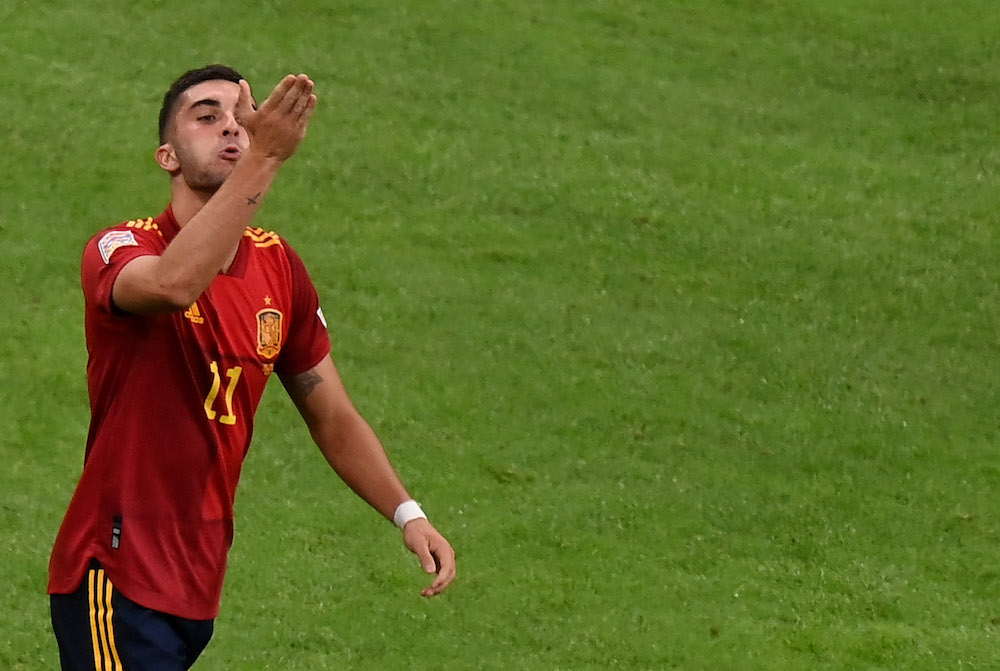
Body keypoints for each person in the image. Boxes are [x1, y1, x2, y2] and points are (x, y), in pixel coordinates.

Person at [47, 64, 457, 670]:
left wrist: (408, 514)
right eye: (207, 118)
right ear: (167, 155)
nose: (232, 130)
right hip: (115, 572)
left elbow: (331, 412)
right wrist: (264, 159)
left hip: (197, 579)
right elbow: (171, 286)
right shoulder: (123, 247)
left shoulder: (278, 268)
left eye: (242, 119)